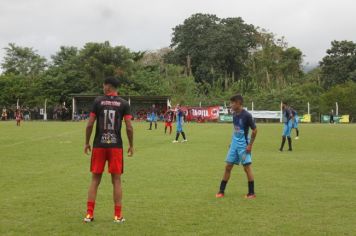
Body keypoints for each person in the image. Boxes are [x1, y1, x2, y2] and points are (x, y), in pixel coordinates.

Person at [83, 77, 134, 223]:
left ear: (108, 87)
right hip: (115, 146)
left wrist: (87, 143)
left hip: (99, 145)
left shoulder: (98, 101)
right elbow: (129, 127)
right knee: (116, 180)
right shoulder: (124, 103)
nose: (102, 87)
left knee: (95, 180)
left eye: (104, 85)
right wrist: (131, 145)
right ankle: (118, 216)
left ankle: (89, 214)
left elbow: (89, 124)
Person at [216, 94, 257, 199]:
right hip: (234, 143)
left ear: (239, 103)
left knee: (246, 168)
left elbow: (255, 130)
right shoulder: (234, 114)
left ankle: (251, 193)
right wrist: (232, 143)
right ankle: (221, 191)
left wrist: (250, 145)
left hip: (244, 145)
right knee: (228, 166)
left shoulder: (247, 115)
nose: (231, 105)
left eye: (232, 103)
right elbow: (236, 130)